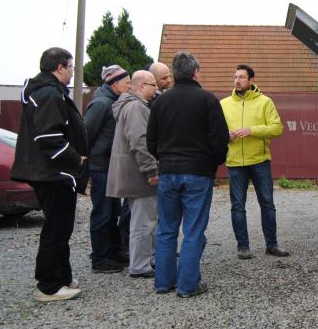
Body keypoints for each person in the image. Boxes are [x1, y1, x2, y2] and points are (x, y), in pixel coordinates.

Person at [147, 52, 229, 297]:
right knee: (193, 230)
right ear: (196, 72)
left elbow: (150, 141)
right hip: (198, 173)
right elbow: (219, 139)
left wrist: (164, 158)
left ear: (174, 73)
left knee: (166, 229)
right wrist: (214, 162)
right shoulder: (207, 100)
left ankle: (163, 283)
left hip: (169, 172)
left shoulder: (160, 103)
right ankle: (187, 286)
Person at [11, 47, 88, 302]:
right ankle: (49, 285)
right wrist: (76, 159)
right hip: (53, 173)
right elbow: (49, 137)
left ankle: (62, 276)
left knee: (62, 227)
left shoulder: (50, 92)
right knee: (55, 229)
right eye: (71, 67)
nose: (73, 72)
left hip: (55, 173)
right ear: (60, 67)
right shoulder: (48, 94)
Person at [220, 64, 289, 260]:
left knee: (267, 204)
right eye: (235, 77)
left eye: (242, 77)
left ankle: (272, 245)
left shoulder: (265, 102)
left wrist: (252, 130)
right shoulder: (224, 104)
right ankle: (243, 247)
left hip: (260, 161)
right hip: (234, 162)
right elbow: (215, 131)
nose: (237, 80)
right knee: (237, 206)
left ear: (251, 81)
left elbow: (277, 128)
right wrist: (226, 135)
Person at [106, 70, 159, 278]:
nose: (156, 89)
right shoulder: (136, 108)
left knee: (140, 219)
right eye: (153, 84)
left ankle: (143, 261)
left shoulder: (128, 106)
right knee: (143, 221)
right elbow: (140, 141)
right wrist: (151, 170)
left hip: (131, 172)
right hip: (138, 174)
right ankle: (140, 265)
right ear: (142, 86)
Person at [85, 65, 131, 273]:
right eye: (126, 82)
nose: (129, 85)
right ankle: (99, 258)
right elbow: (86, 135)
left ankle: (113, 253)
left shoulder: (114, 102)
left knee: (113, 212)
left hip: (111, 167)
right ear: (114, 82)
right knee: (103, 213)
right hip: (101, 167)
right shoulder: (101, 104)